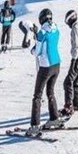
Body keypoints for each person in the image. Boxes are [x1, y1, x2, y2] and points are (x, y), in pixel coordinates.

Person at [26, 8, 61, 137]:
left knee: (37, 95)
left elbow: (38, 52)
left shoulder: (42, 32)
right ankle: (54, 118)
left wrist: (33, 50)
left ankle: (35, 125)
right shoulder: (56, 29)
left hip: (46, 66)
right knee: (50, 92)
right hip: (56, 64)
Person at [60, 10, 78, 117]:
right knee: (75, 79)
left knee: (68, 81)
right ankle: (77, 104)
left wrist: (73, 60)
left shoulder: (75, 28)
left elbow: (76, 45)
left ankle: (69, 106)